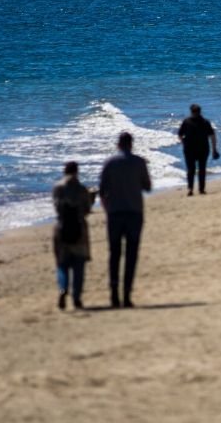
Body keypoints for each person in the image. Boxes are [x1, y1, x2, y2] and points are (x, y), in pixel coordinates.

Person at [99, 131, 153, 308]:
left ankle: (114, 294)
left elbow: (102, 190)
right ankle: (127, 295)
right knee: (131, 254)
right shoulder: (139, 162)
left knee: (114, 253)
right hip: (134, 212)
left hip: (114, 213)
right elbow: (147, 187)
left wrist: (107, 208)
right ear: (132, 144)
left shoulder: (110, 163)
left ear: (118, 144)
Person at [51, 161, 94, 310]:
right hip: (79, 229)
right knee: (78, 265)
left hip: (61, 227)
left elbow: (56, 207)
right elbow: (87, 210)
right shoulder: (82, 189)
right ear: (77, 172)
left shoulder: (57, 188)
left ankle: (63, 289)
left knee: (62, 264)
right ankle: (77, 297)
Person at [177, 104, 218, 196]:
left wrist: (184, 143)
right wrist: (214, 149)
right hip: (202, 149)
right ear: (200, 111)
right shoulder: (205, 122)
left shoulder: (187, 122)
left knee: (191, 170)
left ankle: (191, 189)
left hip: (190, 149)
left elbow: (180, 135)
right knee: (201, 169)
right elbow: (212, 136)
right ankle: (200, 189)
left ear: (191, 112)